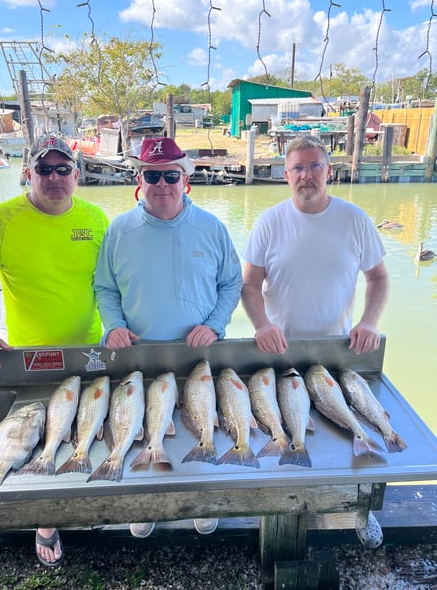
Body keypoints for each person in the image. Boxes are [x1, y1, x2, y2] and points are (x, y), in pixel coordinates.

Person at [0, 134, 109, 567]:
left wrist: (123, 328)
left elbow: (114, 283)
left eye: (63, 169)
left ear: (77, 175)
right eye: (43, 169)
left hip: (90, 351)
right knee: (39, 443)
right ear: (27, 173)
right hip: (29, 357)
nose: (53, 177)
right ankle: (45, 522)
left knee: (92, 433)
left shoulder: (97, 219)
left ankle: (97, 503)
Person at [241, 133, 389, 549]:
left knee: (349, 439)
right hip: (278, 355)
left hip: (337, 353)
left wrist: (370, 321)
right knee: (286, 433)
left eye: (314, 166)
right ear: (286, 175)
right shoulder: (269, 221)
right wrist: (261, 324)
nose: (306, 175)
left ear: (330, 170)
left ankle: (359, 511)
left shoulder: (354, 218)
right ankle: (277, 505)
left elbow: (378, 277)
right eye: (297, 168)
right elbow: (249, 285)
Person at [93, 136, 242, 538]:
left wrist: (214, 324)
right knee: (140, 431)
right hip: (137, 359)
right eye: (152, 175)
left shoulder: (212, 228)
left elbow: (232, 284)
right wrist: (112, 326)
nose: (162, 184)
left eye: (170, 175)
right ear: (139, 181)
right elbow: (105, 288)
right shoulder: (119, 230)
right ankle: (144, 504)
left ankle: (201, 498)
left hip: (199, 358)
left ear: (186, 179)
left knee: (201, 430)